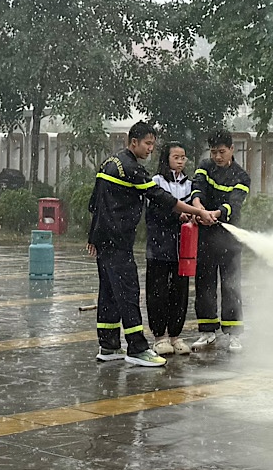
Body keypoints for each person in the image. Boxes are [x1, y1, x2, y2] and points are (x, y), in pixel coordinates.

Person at [87, 121, 219, 368]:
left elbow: (94, 203)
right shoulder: (131, 168)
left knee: (109, 293)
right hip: (118, 241)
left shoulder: (109, 163)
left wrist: (92, 236)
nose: (150, 149)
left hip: (105, 240)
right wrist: (199, 213)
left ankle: (109, 345)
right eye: (147, 143)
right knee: (127, 293)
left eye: (153, 144)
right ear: (133, 141)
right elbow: (162, 198)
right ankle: (137, 348)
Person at [190, 127, 252, 352]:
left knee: (231, 286)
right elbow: (197, 188)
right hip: (206, 237)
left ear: (232, 150)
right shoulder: (205, 167)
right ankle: (207, 332)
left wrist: (214, 214)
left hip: (229, 239)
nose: (217, 157)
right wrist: (199, 209)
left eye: (222, 152)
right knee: (204, 284)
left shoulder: (242, 176)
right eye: (213, 152)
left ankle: (233, 334)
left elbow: (234, 204)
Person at [146, 142, 194, 357]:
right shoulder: (155, 182)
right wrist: (176, 215)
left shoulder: (189, 185)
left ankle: (175, 335)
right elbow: (154, 211)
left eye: (183, 157)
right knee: (158, 291)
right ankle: (159, 337)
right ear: (166, 159)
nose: (180, 161)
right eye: (176, 157)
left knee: (180, 291)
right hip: (159, 246)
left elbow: (193, 207)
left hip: (182, 248)